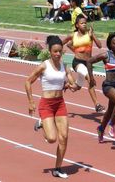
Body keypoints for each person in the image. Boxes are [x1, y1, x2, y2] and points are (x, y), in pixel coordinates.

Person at [25, 35, 78, 178]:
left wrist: (74, 84)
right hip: (46, 105)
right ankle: (42, 123)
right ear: (50, 51)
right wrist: (31, 102)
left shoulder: (64, 67)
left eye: (60, 51)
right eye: (55, 51)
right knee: (52, 139)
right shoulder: (44, 66)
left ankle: (57, 168)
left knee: (64, 137)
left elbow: (72, 82)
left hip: (60, 104)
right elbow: (28, 82)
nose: (58, 54)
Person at [62, 14, 105, 112]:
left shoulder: (89, 34)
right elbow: (64, 43)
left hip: (88, 64)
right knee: (90, 79)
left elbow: (99, 45)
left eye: (85, 23)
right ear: (77, 25)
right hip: (77, 63)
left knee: (77, 87)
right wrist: (56, 51)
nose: (84, 25)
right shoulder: (73, 35)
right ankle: (97, 105)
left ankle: (67, 85)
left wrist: (93, 34)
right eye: (82, 23)